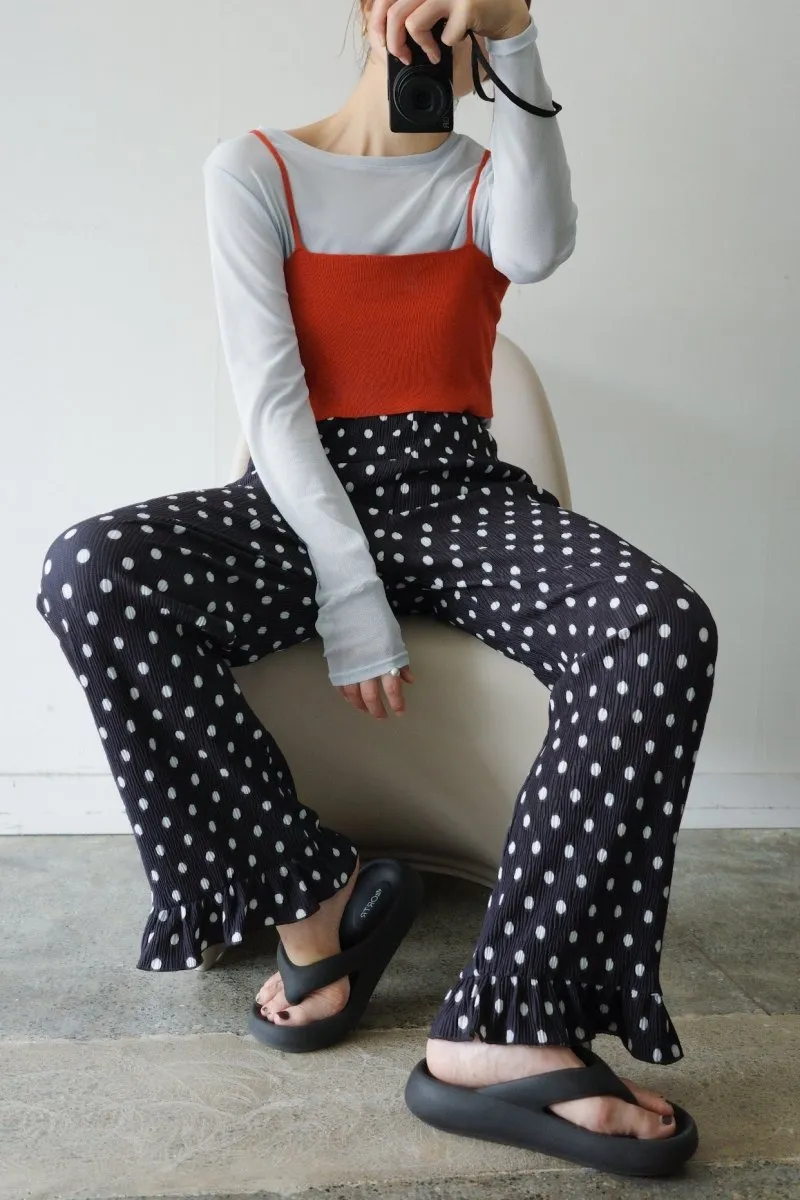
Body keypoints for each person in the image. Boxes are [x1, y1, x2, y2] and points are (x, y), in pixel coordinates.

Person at [38, 0, 717, 1176]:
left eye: (470, 15)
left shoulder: (484, 178)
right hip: (297, 499)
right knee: (92, 571)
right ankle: (316, 894)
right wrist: (347, 590)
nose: (442, 34)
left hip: (459, 492)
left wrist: (518, 39)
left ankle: (505, 1022)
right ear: (368, 11)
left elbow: (537, 248)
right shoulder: (254, 168)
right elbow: (270, 401)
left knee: (660, 628)